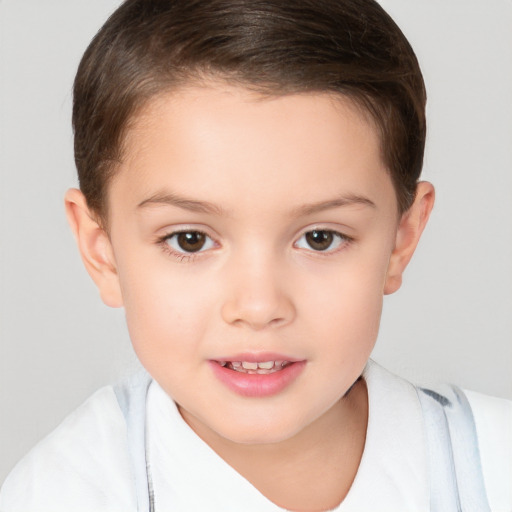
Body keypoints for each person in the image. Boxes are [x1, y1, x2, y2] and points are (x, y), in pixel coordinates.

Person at [1, 0, 510, 510]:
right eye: (190, 240)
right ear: (102, 250)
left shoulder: (496, 466)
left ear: (402, 237)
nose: (259, 305)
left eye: (320, 238)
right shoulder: (59, 494)